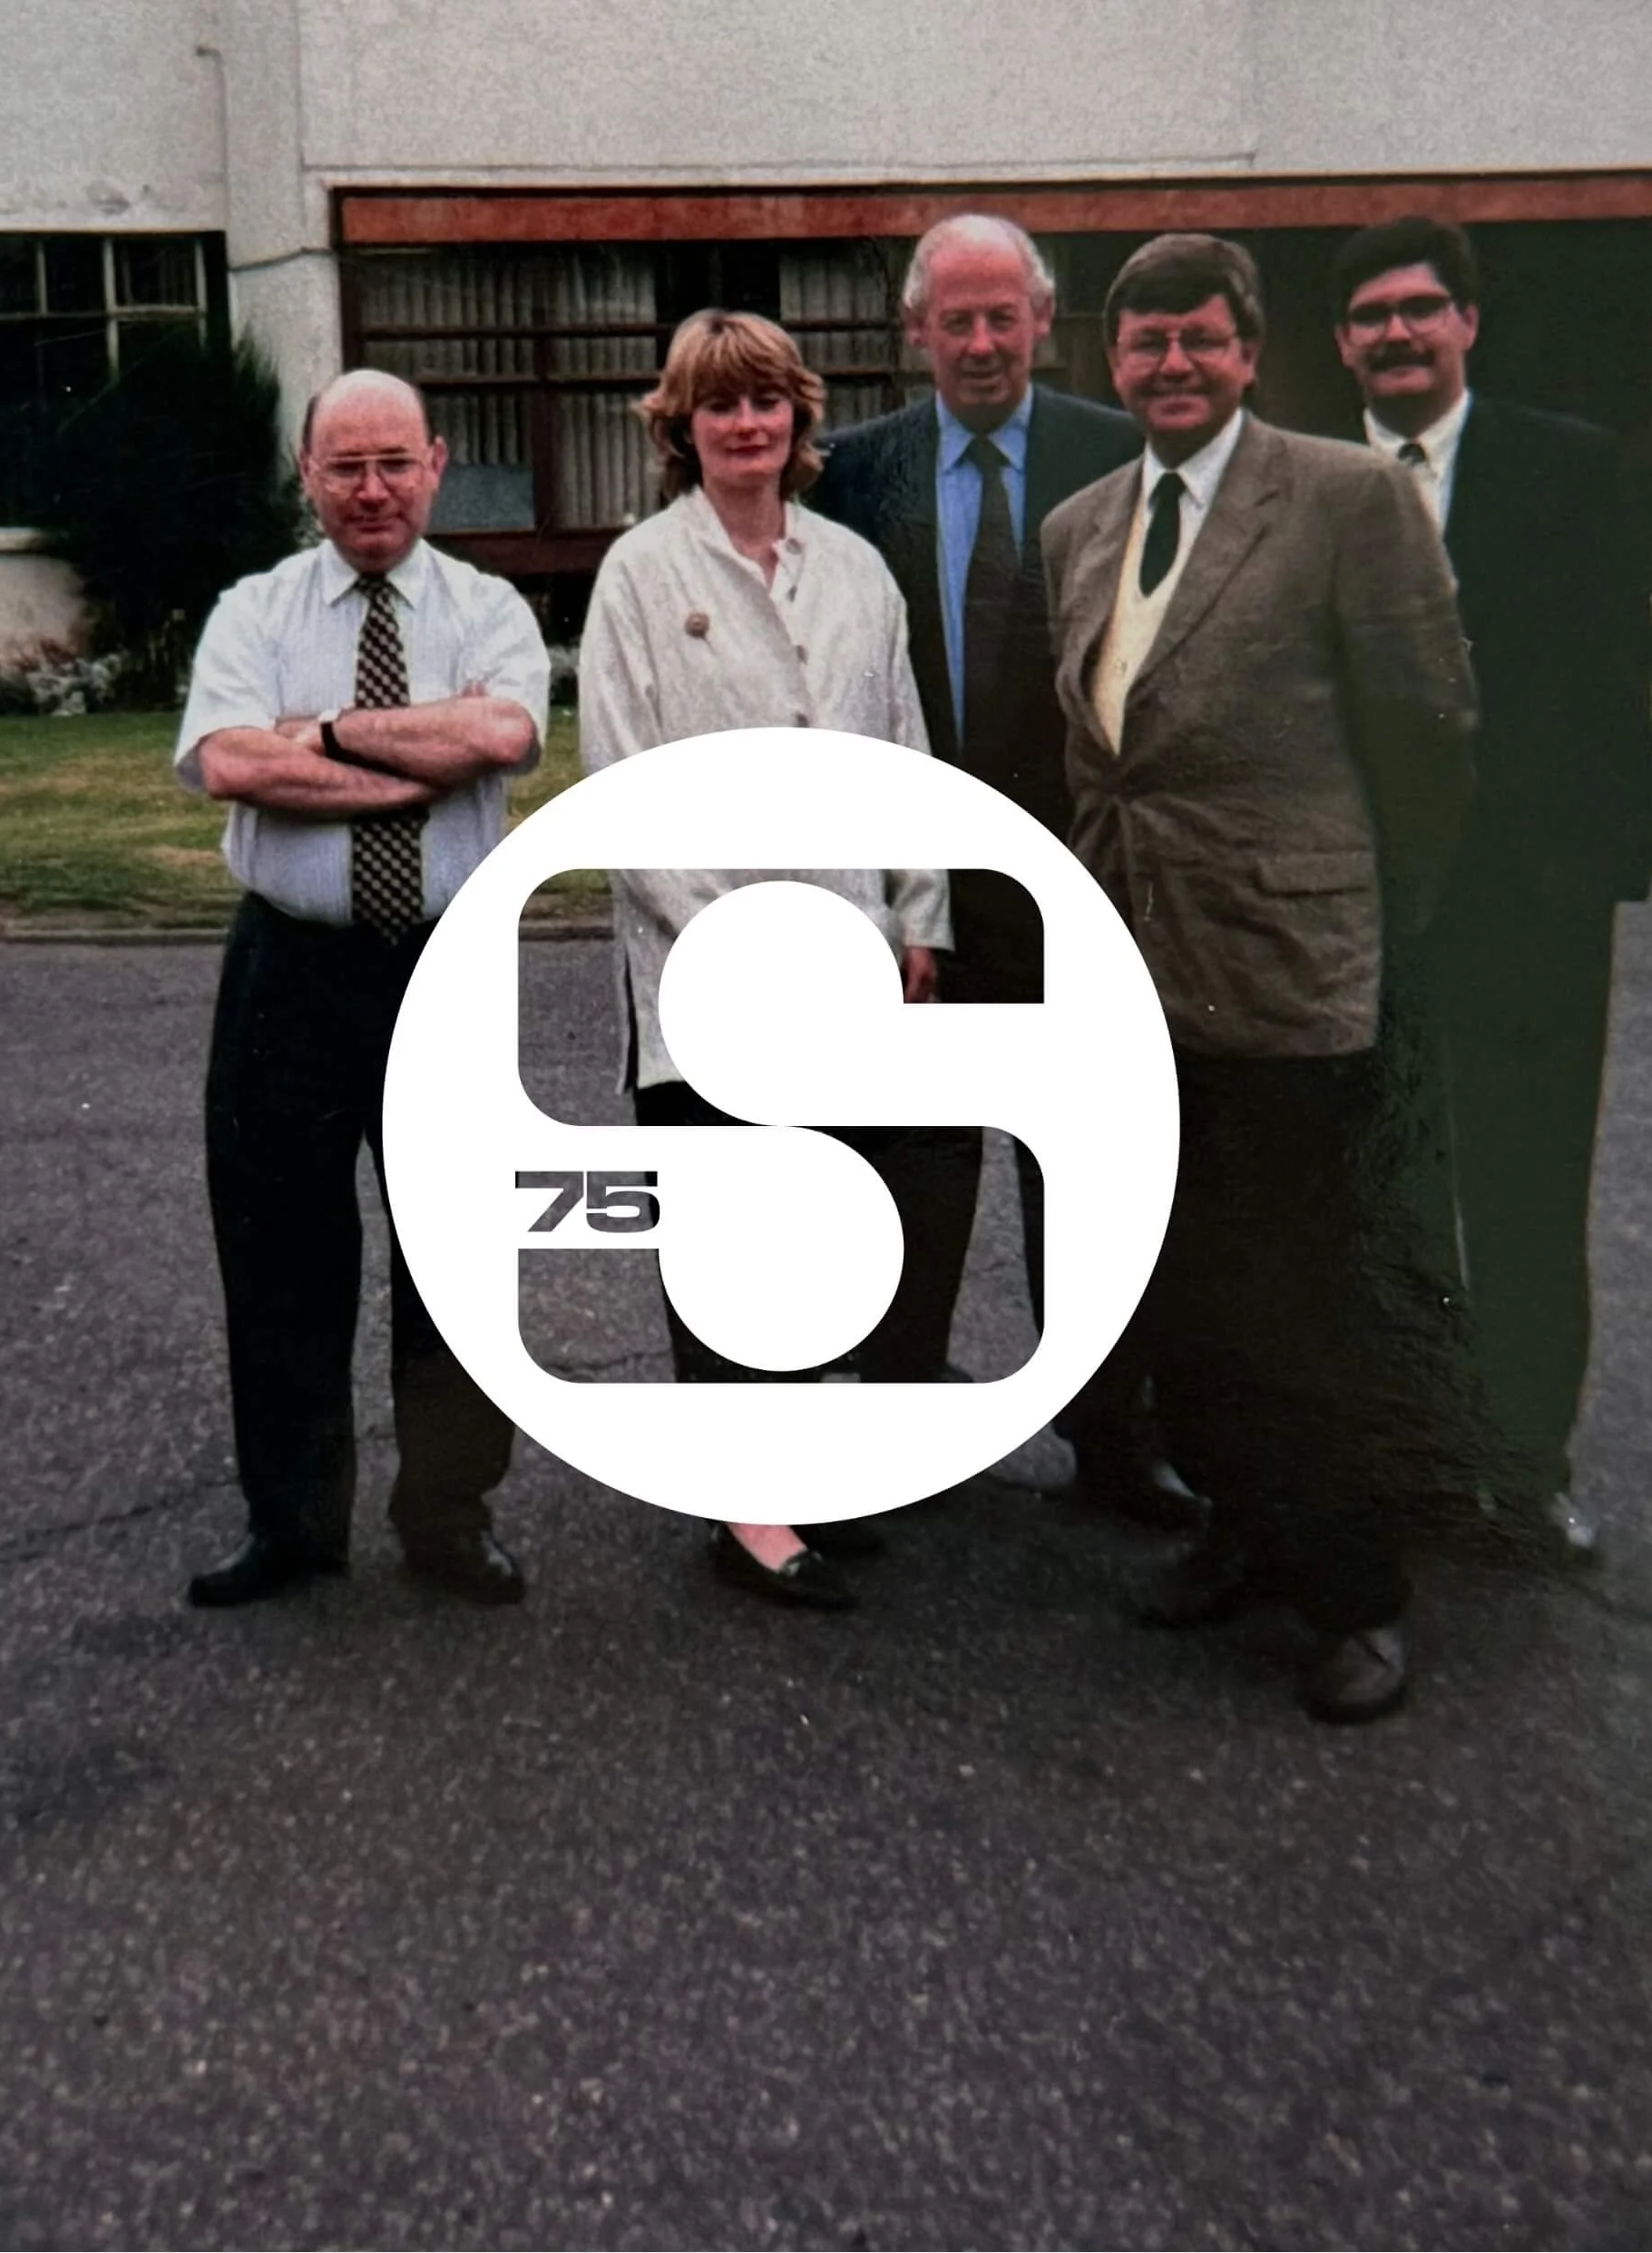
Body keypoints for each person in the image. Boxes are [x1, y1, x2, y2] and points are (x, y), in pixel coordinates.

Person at [1041, 234, 1476, 1721]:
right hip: (1131, 965)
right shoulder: (1083, 524)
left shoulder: (1346, 497)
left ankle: (1355, 1597)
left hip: (1288, 966)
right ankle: (1242, 1528)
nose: (1173, 363)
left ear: (1248, 350)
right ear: (1111, 361)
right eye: (1145, 340)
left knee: (1300, 1294)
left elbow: (1430, 723)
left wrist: (1370, 903)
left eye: (1201, 337)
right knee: (1177, 1286)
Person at [578, 309, 952, 1611]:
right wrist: (734, 945)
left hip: (847, 958)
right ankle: (746, 1510)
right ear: (680, 428)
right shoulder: (639, 571)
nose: (745, 424)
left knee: (823, 1228)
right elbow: (617, 777)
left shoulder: (855, 569)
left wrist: (919, 915)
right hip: (706, 967)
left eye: (765, 401)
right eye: (718, 405)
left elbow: (905, 750)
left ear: (799, 418)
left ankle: (799, 1470)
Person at [811, 214, 1183, 1523]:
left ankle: (1115, 1434)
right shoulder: (851, 475)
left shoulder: (1120, 453)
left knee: (1084, 1168)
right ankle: (905, 1420)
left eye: (1002, 317)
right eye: (955, 320)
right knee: (910, 1161)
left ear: (1041, 320)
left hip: (1080, 881)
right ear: (915, 331)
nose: (980, 342)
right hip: (915, 889)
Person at [176, 368, 550, 1609]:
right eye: (347, 466)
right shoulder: (254, 610)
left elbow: (500, 737)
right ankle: (291, 1522)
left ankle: (448, 1516)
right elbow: (230, 759)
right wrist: (410, 763)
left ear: (436, 465)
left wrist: (323, 734)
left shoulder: (488, 608)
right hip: (288, 964)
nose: (374, 489)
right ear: (309, 475)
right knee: (279, 1247)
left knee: (456, 1251)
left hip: (445, 963)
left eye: (396, 462)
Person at [1332, 215, 1652, 1560]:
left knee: (1528, 1191)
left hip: (1532, 906)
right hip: (1368, 911)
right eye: (1371, 315)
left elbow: (1625, 673)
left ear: (1467, 322)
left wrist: (1593, 865)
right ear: (1342, 343)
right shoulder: (1313, 481)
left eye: (1421, 307)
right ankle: (1418, 1454)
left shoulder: (1568, 469)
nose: (1397, 333)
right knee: (1393, 1191)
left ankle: (1526, 1470)